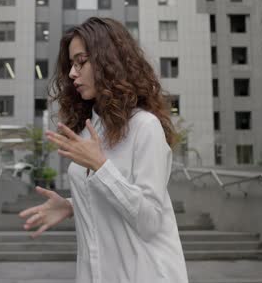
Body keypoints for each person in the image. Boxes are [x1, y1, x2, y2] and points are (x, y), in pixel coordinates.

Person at [18, 17, 189, 283]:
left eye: (81, 62)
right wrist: (73, 205)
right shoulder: (89, 129)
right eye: (71, 65)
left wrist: (101, 166)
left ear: (109, 61)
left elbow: (149, 220)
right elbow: (113, 196)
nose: (73, 74)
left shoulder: (145, 127)